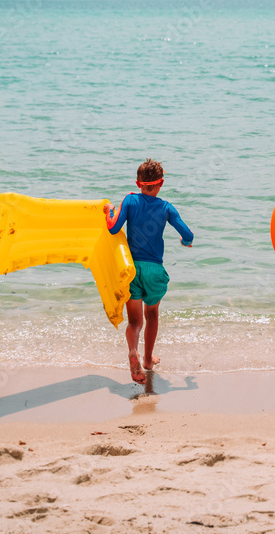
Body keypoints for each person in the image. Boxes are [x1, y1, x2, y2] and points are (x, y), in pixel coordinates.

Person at [104, 159, 193, 384]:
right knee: (151, 315)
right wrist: (185, 243)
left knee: (135, 322)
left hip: (132, 270)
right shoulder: (166, 207)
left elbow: (113, 227)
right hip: (154, 270)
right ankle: (147, 359)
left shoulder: (130, 200)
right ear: (161, 183)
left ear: (138, 183)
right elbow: (188, 235)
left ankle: (132, 351)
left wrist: (109, 211)